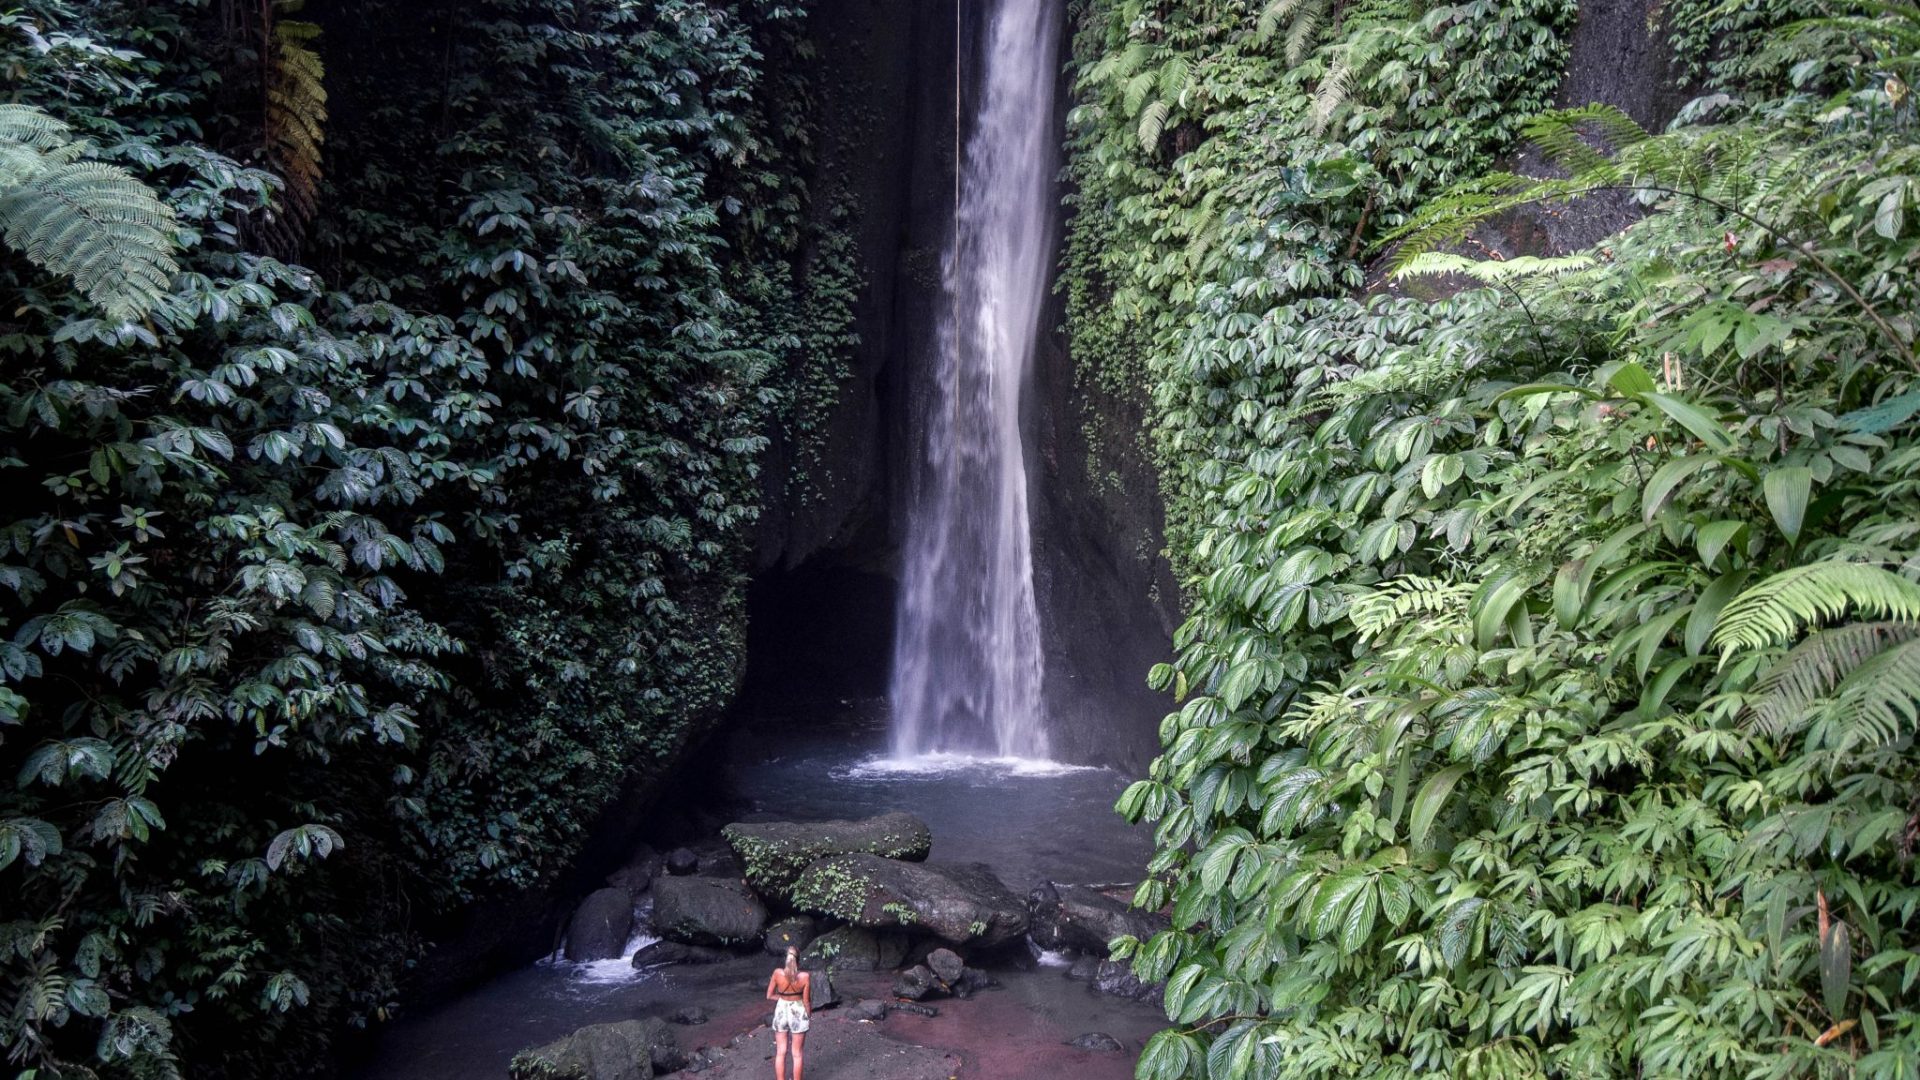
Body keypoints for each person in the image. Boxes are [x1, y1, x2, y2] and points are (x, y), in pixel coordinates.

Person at [765, 945, 810, 1080]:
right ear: (798, 960)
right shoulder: (805, 977)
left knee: (781, 1052)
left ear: (786, 959)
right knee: (797, 1054)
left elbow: (769, 995)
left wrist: (783, 998)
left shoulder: (777, 973)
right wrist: (808, 1015)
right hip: (798, 1011)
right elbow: (806, 1001)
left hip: (781, 1012)